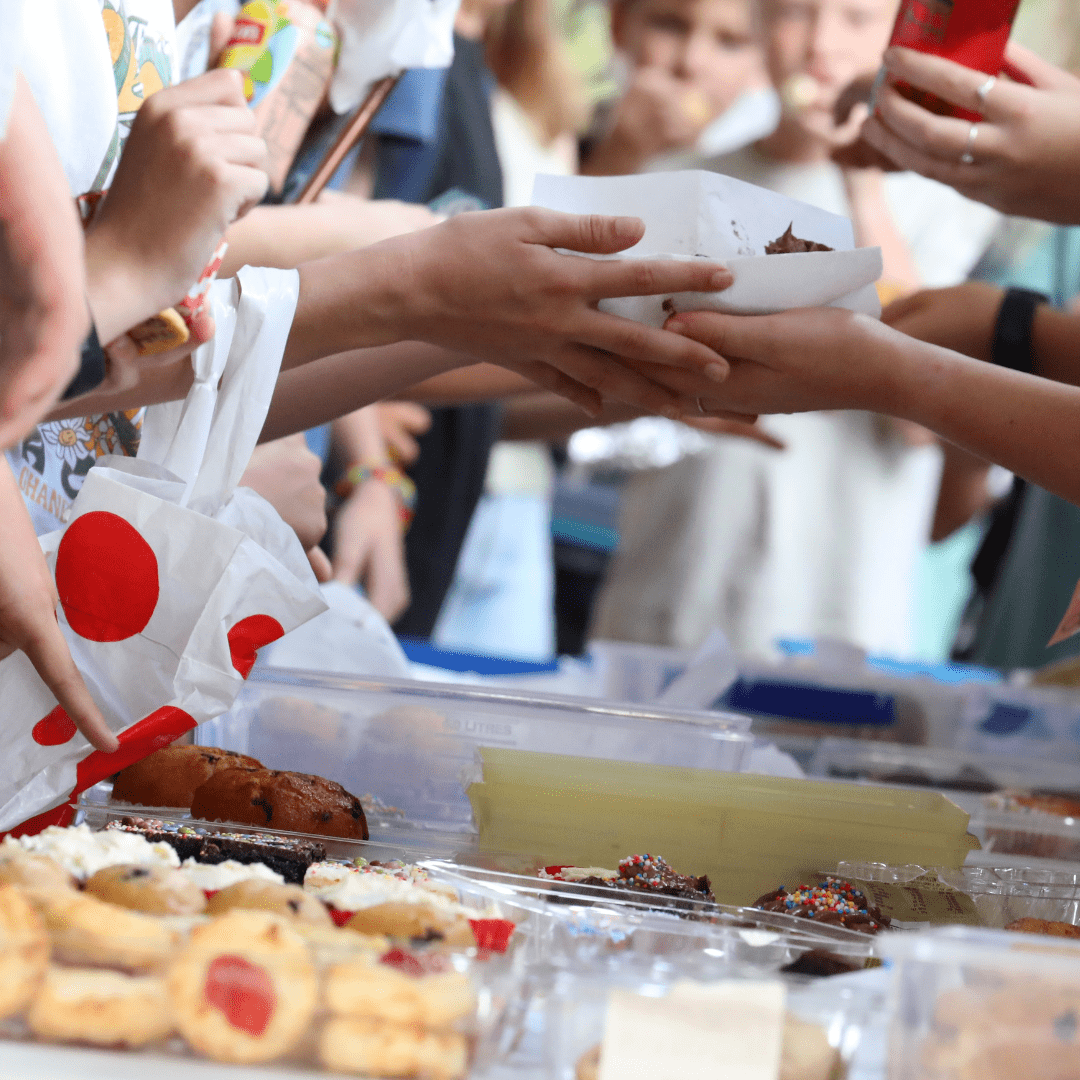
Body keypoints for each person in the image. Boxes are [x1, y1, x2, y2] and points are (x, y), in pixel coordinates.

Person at [590, 0, 1000, 658]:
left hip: (834, 611)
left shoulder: (943, 201)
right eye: (793, 14)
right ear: (758, 26)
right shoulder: (683, 176)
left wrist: (863, 191)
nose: (819, 45)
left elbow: (925, 421)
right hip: (672, 588)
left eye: (855, 19)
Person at [581, 0, 777, 177]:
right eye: (670, 25)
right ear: (618, 23)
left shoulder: (775, 155)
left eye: (729, 41)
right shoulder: (571, 131)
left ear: (766, 60)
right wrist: (616, 157)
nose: (692, 61)